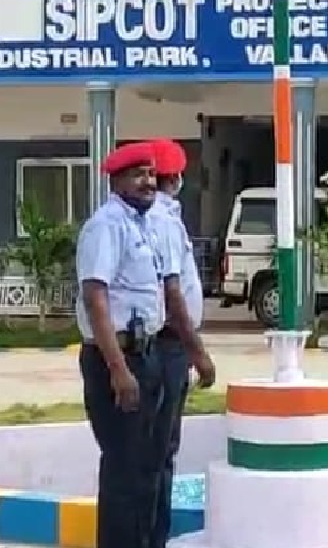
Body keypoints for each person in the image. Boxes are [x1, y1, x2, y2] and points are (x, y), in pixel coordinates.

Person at [75, 141, 203, 548]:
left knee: (148, 466)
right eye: (137, 175)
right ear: (117, 182)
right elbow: (96, 299)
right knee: (124, 471)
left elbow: (166, 290)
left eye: (150, 174)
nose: (148, 182)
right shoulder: (106, 226)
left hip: (147, 353)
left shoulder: (145, 225)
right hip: (118, 358)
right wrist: (118, 370)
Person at [147, 138, 214, 548]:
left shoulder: (162, 216)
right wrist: (198, 352)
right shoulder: (162, 220)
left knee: (159, 449)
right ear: (175, 178)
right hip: (169, 343)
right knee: (160, 449)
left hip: (170, 343)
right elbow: (172, 296)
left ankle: (152, 534)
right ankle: (153, 536)